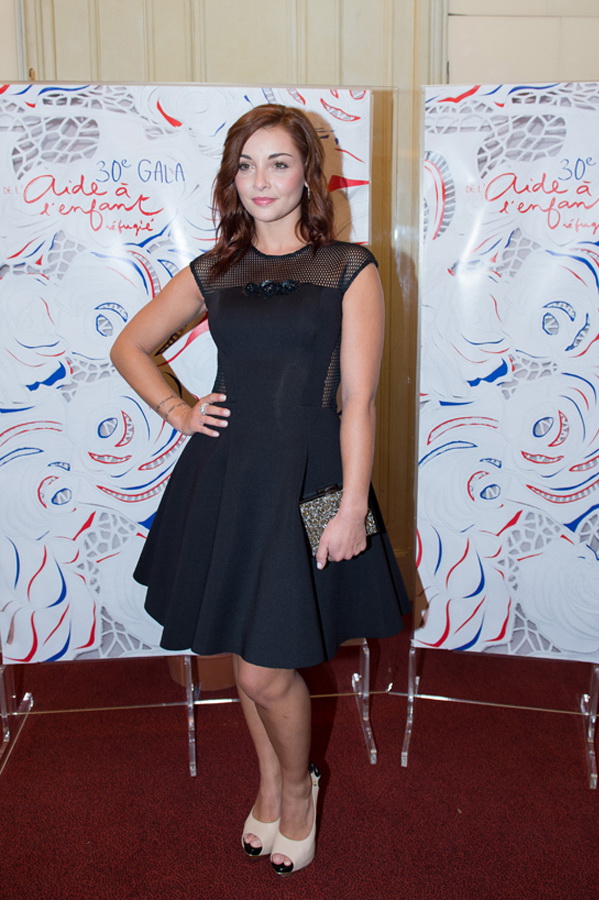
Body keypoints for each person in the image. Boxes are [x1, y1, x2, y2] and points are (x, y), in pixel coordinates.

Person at [110, 103, 409, 876]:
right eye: (245, 165)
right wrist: (178, 408)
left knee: (263, 667)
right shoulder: (215, 269)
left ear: (308, 173)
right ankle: (272, 783)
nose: (260, 180)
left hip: (314, 482)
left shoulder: (348, 266)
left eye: (278, 162)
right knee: (247, 647)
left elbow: (357, 400)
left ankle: (299, 788)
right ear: (230, 179)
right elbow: (131, 345)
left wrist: (351, 507)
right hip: (229, 480)